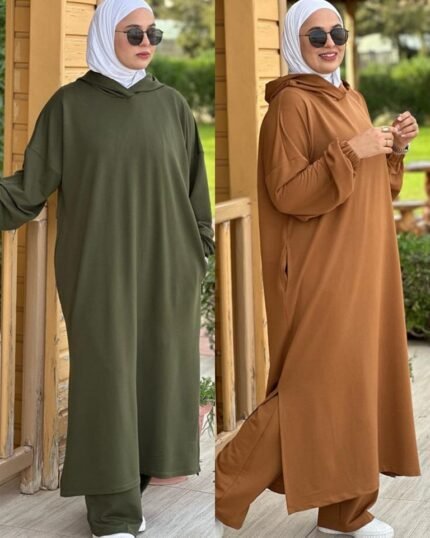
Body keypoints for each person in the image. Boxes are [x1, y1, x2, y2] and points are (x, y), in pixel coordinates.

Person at [0, 1, 214, 537]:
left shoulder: (172, 105)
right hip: (98, 270)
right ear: (103, 36)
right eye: (133, 33)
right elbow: (29, 189)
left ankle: (133, 488)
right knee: (107, 379)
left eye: (153, 34)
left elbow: (195, 187)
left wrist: (200, 247)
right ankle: (112, 514)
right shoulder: (69, 107)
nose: (146, 42)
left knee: (157, 375)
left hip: (169, 268)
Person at [215, 1, 421, 536]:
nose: (330, 43)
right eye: (316, 36)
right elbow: (288, 193)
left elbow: (378, 188)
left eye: (337, 33)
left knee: (355, 385)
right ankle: (225, 486)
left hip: (366, 263)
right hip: (321, 269)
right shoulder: (290, 105)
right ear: (293, 41)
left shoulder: (351, 96)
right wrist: (351, 150)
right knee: (312, 386)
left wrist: (394, 149)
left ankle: (344, 514)